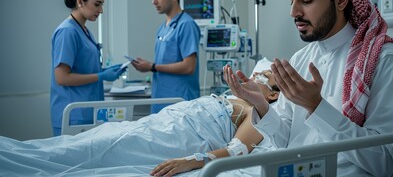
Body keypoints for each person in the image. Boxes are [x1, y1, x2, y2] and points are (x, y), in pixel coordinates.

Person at [224, 0, 393, 176]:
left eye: (306, 0)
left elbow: (381, 161)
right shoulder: (301, 59)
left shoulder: (386, 60)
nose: (294, 12)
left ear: (341, 0)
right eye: (292, 0)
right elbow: (286, 140)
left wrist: (317, 106)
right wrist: (261, 106)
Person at [0, 66, 279, 177]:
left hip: (184, 136)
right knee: (90, 141)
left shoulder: (262, 112)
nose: (257, 75)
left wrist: (191, 160)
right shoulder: (236, 95)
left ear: (275, 93)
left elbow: (234, 151)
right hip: (169, 119)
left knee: (98, 151)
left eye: (265, 76)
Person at [51, 0, 126, 136]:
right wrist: (101, 76)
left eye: (102, 5)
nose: (101, 10)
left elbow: (84, 68)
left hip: (87, 112)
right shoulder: (67, 32)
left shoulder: (84, 30)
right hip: (73, 115)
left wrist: (106, 72)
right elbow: (62, 78)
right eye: (97, 4)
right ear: (80, 2)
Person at [132, 0, 201, 113]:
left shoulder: (186, 25)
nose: (153, 1)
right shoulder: (163, 28)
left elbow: (189, 67)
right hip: (161, 102)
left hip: (180, 104)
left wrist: (152, 66)